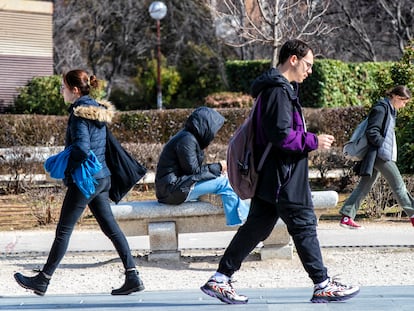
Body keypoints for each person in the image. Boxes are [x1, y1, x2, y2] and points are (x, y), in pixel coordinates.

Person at [200, 39, 360, 304]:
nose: (310, 71)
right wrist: (313, 141)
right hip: (283, 175)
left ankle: (220, 279)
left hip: (273, 175)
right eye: (308, 64)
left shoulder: (278, 90)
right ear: (293, 60)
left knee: (256, 228)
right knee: (304, 225)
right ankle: (322, 284)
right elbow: (282, 136)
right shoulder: (278, 91)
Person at [13, 69, 144, 296]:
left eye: (63, 87)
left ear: (74, 90)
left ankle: (43, 280)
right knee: (111, 228)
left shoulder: (79, 113)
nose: (61, 91)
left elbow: (82, 148)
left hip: (86, 180)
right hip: (103, 179)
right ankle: (132, 275)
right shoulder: (98, 111)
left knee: (63, 230)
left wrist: (66, 165)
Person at [155, 106, 249, 226]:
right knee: (226, 184)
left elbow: (192, 172)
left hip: (173, 188)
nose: (214, 134)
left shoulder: (188, 137)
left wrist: (218, 171)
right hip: (171, 190)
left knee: (224, 181)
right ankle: (241, 225)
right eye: (213, 129)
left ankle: (242, 224)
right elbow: (194, 171)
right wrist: (219, 166)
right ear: (206, 126)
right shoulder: (186, 140)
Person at [339, 85, 413, 229]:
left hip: (379, 154)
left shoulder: (389, 110)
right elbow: (372, 131)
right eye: (404, 102)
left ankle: (347, 216)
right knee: (399, 186)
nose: (404, 106)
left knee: (365, 185)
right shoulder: (381, 109)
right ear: (397, 98)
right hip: (381, 155)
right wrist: (381, 144)